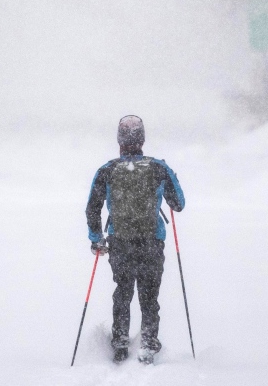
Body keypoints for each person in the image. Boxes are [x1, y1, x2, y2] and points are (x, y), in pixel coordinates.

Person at [85, 115, 186, 365]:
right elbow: (179, 204)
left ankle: (120, 343)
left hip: (120, 242)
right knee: (149, 294)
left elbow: (92, 208)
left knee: (123, 291)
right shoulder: (158, 168)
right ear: (142, 139)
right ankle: (148, 344)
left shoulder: (107, 170)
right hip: (152, 242)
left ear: (119, 140)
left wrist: (97, 239)